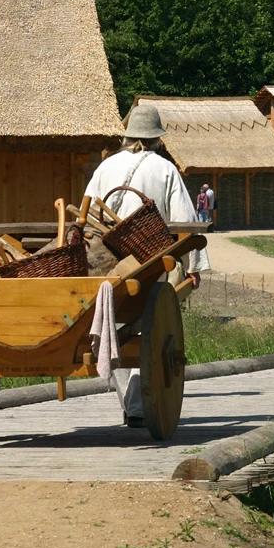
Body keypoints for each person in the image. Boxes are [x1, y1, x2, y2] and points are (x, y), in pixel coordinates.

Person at [82, 103, 209, 428]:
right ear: (156, 139)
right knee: (147, 326)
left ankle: (133, 405)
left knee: (117, 325)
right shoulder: (164, 169)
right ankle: (139, 405)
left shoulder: (105, 168)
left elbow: (85, 218)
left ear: (129, 136)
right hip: (147, 263)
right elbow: (184, 221)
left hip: (103, 266)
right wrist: (193, 265)